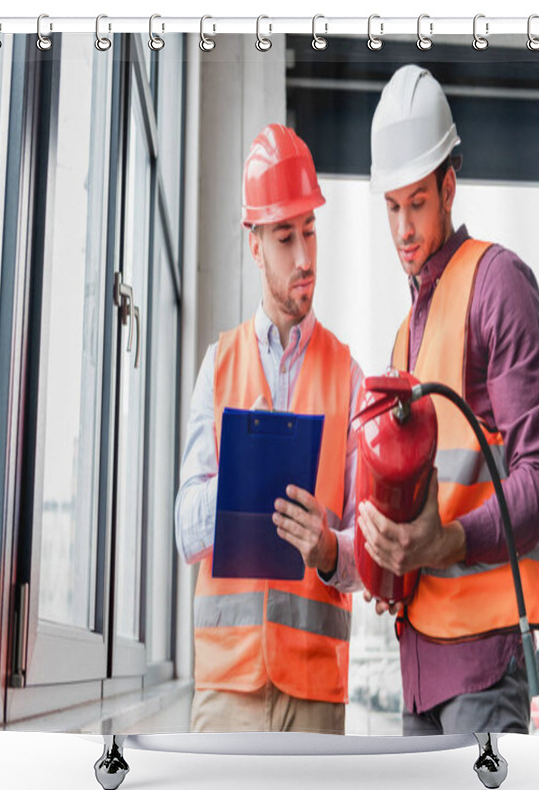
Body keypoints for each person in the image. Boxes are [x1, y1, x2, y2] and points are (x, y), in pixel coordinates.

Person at [357, 65, 539, 736]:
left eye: (417, 202)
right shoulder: (402, 338)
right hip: (418, 668)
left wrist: (446, 541)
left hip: (485, 661)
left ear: (450, 184)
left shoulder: (496, 282)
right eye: (391, 207)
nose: (403, 229)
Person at [175, 124, 363, 735]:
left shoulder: (348, 374)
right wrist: (239, 472)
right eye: (285, 237)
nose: (305, 257)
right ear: (254, 245)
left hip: (315, 693)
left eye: (310, 232)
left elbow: (371, 554)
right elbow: (184, 531)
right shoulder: (219, 364)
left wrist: (331, 550)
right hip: (227, 691)